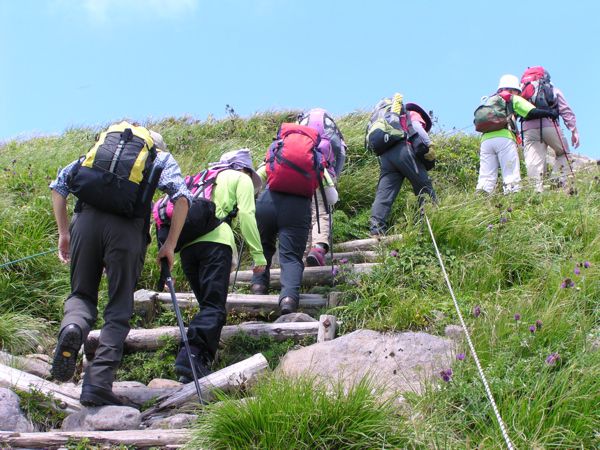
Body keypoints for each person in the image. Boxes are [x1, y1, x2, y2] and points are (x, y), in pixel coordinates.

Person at [50, 122, 191, 407]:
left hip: (85, 222)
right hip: (127, 231)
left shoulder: (99, 151)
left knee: (81, 295)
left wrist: (64, 233)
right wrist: (170, 245)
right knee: (118, 307)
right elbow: (182, 198)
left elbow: (59, 186)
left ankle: (74, 327)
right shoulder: (159, 157)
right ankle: (98, 383)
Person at [174, 148, 266, 383]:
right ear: (244, 167)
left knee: (207, 306)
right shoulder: (240, 178)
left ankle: (198, 362)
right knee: (214, 307)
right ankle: (190, 355)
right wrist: (258, 256)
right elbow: (246, 214)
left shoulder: (199, 178)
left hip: (186, 247)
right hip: (216, 243)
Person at [250, 123, 338, 314]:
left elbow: (256, 181)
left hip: (267, 202)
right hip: (297, 208)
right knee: (290, 257)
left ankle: (258, 286)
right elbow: (331, 198)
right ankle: (288, 298)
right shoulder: (316, 157)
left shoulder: (277, 150)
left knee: (264, 247)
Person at [474, 74, 558, 194]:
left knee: (486, 175)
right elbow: (531, 112)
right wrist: (550, 113)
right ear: (514, 90)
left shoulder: (489, 100)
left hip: (485, 140)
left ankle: (481, 198)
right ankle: (513, 199)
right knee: (510, 173)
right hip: (504, 138)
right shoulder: (512, 98)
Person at [368, 95, 436, 236]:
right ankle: (432, 223)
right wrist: (430, 145)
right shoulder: (411, 113)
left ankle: (376, 229)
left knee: (384, 194)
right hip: (403, 150)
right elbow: (417, 127)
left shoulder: (389, 117)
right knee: (424, 186)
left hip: (386, 156)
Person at [297, 108, 347, 267]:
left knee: (303, 214)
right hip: (322, 175)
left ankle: (300, 256)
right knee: (321, 211)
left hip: (298, 174)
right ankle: (318, 248)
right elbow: (341, 154)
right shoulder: (330, 129)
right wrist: (334, 175)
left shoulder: (301, 126)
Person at [520, 69, 579, 192]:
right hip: (549, 125)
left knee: (534, 160)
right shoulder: (552, 89)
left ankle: (536, 191)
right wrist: (573, 131)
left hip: (528, 129)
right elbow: (565, 111)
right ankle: (557, 180)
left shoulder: (522, 91)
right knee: (564, 153)